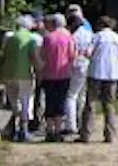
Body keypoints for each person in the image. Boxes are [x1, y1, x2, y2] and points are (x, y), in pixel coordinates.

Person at [78, 16, 118, 144]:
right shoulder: (117, 38)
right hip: (112, 75)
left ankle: (86, 134)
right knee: (109, 105)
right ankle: (110, 135)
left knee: (91, 103)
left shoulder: (96, 37)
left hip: (96, 73)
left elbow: (88, 53)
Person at [0, 15, 40, 142]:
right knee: (26, 101)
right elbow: (33, 57)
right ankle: (24, 130)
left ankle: (13, 129)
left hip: (8, 73)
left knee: (13, 101)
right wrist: (40, 69)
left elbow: (3, 54)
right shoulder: (31, 39)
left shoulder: (9, 38)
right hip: (24, 75)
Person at [39, 13, 75, 142]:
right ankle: (58, 131)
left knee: (49, 101)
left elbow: (42, 56)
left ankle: (49, 131)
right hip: (64, 74)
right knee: (60, 102)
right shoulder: (68, 37)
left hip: (49, 74)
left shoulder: (48, 37)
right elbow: (72, 55)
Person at [64, 14, 93, 136]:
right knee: (82, 95)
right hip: (87, 65)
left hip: (75, 65)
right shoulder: (89, 34)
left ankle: (71, 125)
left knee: (71, 95)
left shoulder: (72, 36)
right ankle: (82, 122)